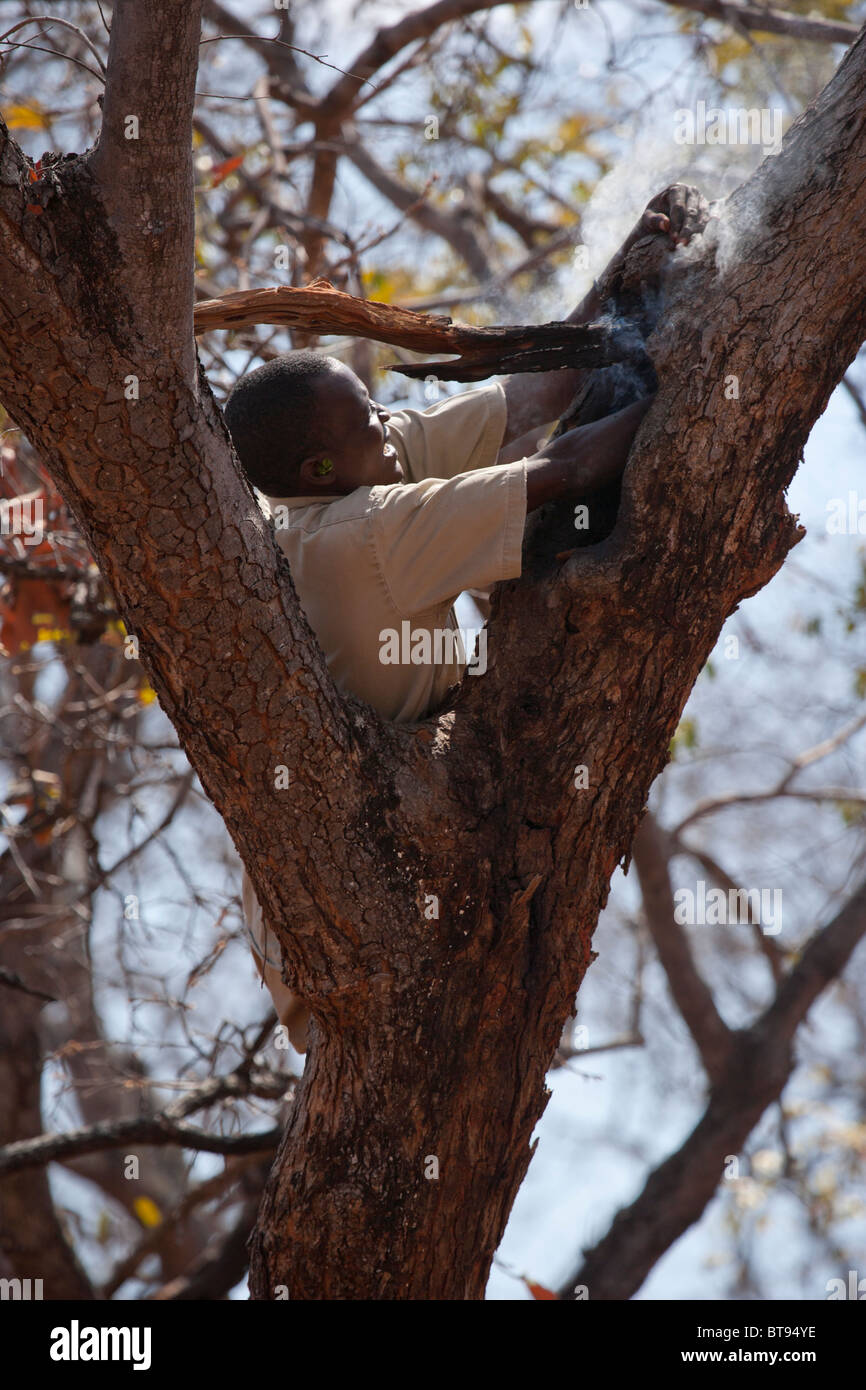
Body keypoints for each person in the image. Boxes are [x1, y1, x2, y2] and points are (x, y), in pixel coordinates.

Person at [223, 187, 703, 1052]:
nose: (386, 421)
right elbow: (561, 468)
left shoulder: (349, 468)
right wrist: (700, 386)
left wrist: (619, 275)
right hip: (329, 930)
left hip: (393, 859)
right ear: (319, 463)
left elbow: (529, 401)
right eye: (366, 418)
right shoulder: (355, 532)